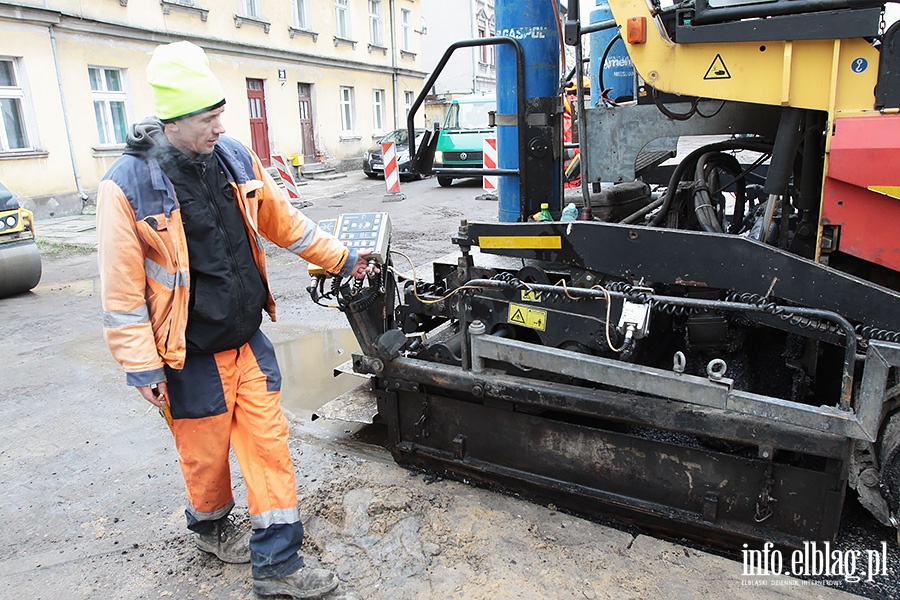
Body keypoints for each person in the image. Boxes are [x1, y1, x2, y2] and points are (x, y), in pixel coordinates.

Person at [97, 41, 372, 599]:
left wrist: (340, 256)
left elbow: (284, 223)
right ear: (173, 121)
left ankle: (277, 565)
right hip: (189, 356)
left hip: (246, 341)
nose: (221, 126)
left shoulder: (234, 159)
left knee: (269, 444)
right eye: (209, 118)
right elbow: (121, 292)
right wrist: (142, 367)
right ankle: (210, 524)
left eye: (221, 113)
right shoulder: (127, 187)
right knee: (204, 459)